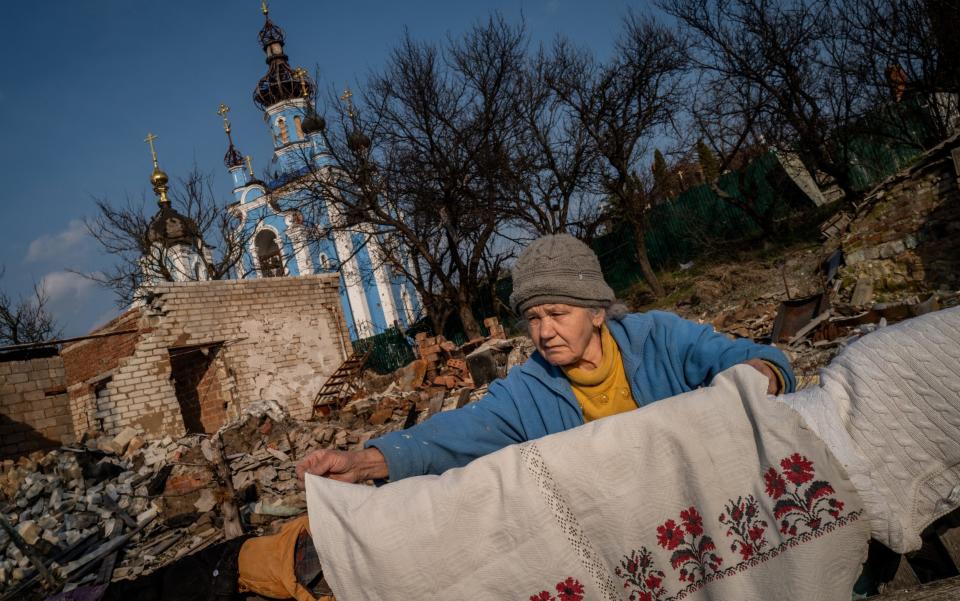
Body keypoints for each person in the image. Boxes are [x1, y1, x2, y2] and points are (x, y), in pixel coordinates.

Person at [296, 234, 795, 484]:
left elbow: (753, 358)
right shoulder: (530, 388)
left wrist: (762, 374)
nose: (544, 332)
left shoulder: (659, 339)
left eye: (557, 313)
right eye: (532, 318)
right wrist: (365, 461)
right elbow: (457, 434)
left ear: (598, 312)